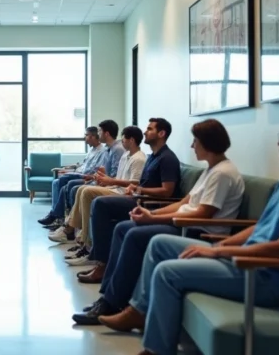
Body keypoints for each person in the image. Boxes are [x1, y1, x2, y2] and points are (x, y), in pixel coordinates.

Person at [99, 110, 279, 355]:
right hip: (248, 260)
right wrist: (220, 249)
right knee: (159, 244)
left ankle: (156, 350)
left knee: (168, 271)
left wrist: (219, 251)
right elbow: (259, 228)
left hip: (272, 277)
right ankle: (138, 311)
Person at [73, 119, 244, 325]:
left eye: (195, 141)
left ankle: (114, 303)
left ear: (208, 143)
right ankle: (109, 298)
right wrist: (150, 213)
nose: (192, 146)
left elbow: (203, 214)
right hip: (182, 223)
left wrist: (154, 217)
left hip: (198, 231)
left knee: (134, 234)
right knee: (122, 228)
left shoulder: (223, 173)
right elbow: (184, 202)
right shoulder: (210, 170)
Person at [78, 118, 180, 283]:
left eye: (149, 129)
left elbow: (167, 191)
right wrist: (134, 188)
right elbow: (140, 182)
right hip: (137, 197)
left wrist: (138, 189)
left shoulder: (167, 158)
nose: (145, 132)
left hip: (146, 202)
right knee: (100, 204)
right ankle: (101, 261)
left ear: (161, 134)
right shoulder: (153, 156)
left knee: (100, 203)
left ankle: (102, 264)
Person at [55, 126, 147, 262]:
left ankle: (84, 242)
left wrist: (110, 180)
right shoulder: (126, 155)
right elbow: (118, 178)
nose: (121, 141)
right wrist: (105, 178)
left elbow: (134, 183)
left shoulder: (139, 159)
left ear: (131, 140)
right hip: (116, 188)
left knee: (86, 191)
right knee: (81, 189)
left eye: (124, 139)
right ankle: (77, 235)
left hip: (123, 193)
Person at [43, 120, 126, 232]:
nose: (98, 134)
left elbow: (114, 174)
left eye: (100, 131)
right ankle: (66, 223)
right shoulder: (108, 149)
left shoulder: (116, 149)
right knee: (64, 184)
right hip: (98, 179)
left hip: (107, 183)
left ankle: (69, 226)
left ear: (106, 133)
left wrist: (94, 177)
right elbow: (102, 170)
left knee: (72, 185)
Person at [38, 127, 105, 226]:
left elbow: (95, 170)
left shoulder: (101, 151)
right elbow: (84, 165)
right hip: (80, 172)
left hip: (86, 176)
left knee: (63, 180)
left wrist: (85, 174)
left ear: (92, 136)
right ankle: (56, 215)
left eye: (86, 135)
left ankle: (56, 216)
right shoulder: (92, 150)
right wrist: (72, 167)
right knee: (56, 182)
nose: (84, 138)